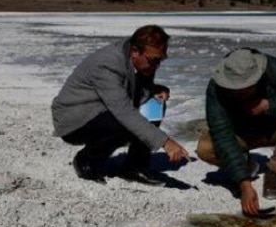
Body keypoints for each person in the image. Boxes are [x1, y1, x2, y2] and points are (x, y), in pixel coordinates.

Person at [51, 25, 191, 185]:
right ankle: (86, 160)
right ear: (134, 51)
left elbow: (138, 89)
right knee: (121, 123)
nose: (157, 65)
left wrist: (155, 90)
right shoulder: (107, 64)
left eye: (160, 60)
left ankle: (135, 166)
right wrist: (165, 142)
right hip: (75, 118)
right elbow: (123, 111)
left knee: (155, 104)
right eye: (154, 60)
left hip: (103, 108)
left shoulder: (143, 60)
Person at [197, 47, 276, 216]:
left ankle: (274, 171)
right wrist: (245, 185)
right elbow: (222, 134)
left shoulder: (272, 68)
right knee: (205, 148)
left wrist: (268, 105)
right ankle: (246, 166)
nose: (240, 92)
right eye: (236, 88)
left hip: (273, 127)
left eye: (245, 87)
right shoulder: (216, 88)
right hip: (241, 133)